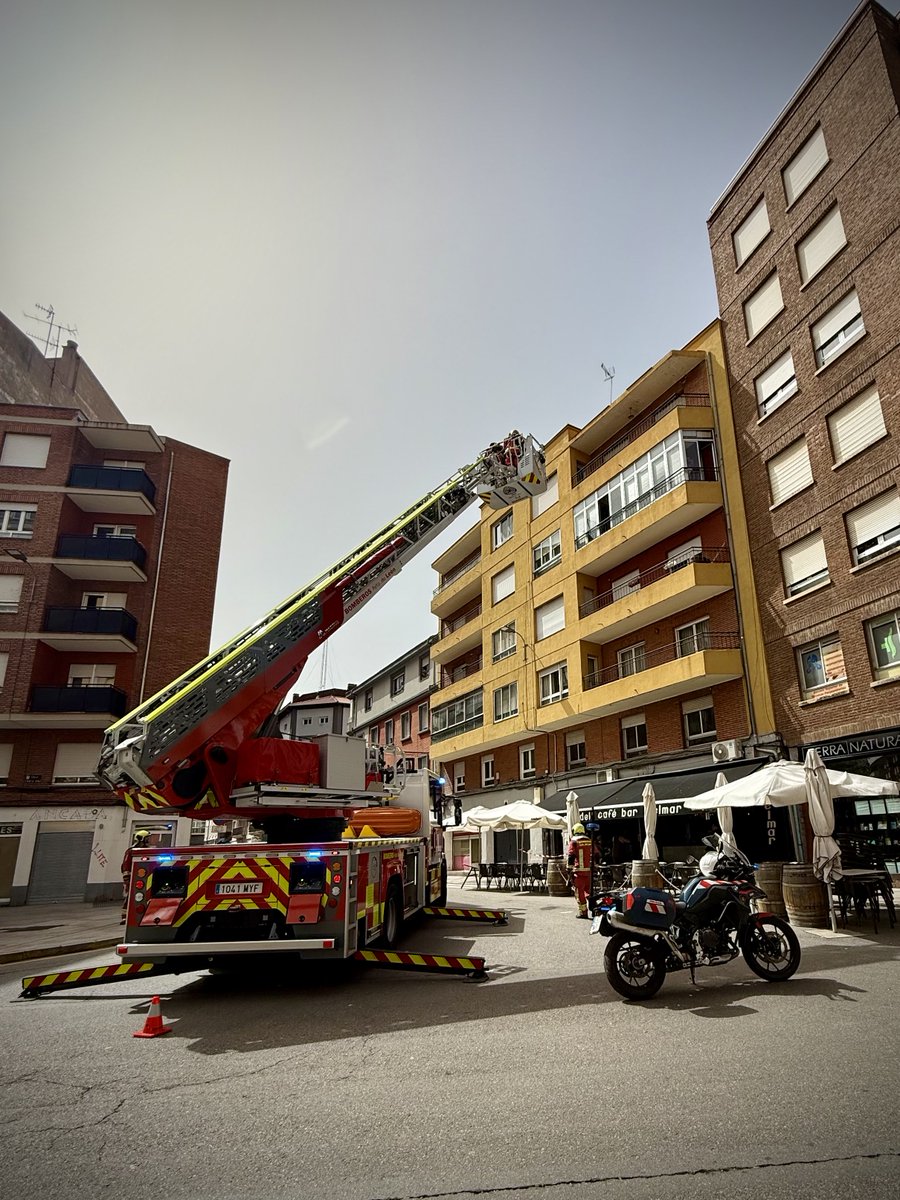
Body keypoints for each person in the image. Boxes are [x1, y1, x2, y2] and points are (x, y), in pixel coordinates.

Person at [120, 829, 150, 923]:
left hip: (144, 878)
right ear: (141, 839)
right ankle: (124, 916)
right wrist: (127, 878)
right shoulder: (131, 851)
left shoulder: (146, 850)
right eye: (147, 838)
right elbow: (126, 864)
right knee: (129, 896)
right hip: (131, 878)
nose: (148, 840)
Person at [566, 822, 593, 919]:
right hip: (588, 872)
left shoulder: (573, 841)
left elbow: (571, 856)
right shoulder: (589, 840)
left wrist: (568, 870)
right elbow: (596, 853)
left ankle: (583, 912)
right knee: (588, 892)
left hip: (578, 872)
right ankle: (595, 909)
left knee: (579, 893)